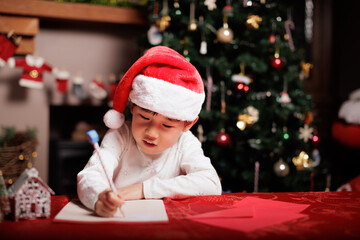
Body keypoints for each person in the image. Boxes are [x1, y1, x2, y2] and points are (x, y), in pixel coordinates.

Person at [77, 46, 222, 217]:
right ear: (133, 108)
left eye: (167, 126)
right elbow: (90, 175)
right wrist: (99, 199)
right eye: (144, 118)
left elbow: (211, 182)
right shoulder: (120, 135)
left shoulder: (185, 142)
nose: (151, 133)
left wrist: (142, 189)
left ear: (187, 124)